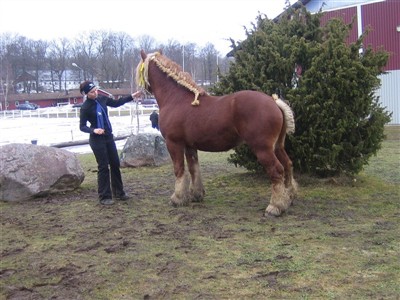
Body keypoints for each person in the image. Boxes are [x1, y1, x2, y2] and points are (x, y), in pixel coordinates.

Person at [79, 80, 142, 205]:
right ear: (87, 94)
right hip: (97, 140)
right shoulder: (85, 107)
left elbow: (116, 103)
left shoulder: (102, 99)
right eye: (92, 92)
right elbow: (82, 126)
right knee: (103, 167)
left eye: (96, 90)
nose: (95, 93)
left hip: (108, 137)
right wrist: (94, 130)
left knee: (115, 163)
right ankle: (104, 196)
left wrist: (132, 96)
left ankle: (119, 192)